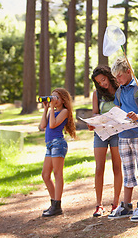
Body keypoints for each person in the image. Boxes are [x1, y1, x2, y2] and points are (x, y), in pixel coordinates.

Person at [107, 57, 138, 222]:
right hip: (123, 136)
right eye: (115, 77)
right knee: (127, 171)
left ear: (128, 71)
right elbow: (117, 111)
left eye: (119, 76)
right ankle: (126, 206)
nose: (117, 80)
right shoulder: (119, 91)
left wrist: (137, 116)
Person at [88, 65, 123, 217]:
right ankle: (98, 205)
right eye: (99, 82)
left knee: (117, 167)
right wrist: (93, 122)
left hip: (116, 132)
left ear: (109, 76)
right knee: (99, 168)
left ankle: (115, 203)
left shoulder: (120, 90)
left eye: (103, 79)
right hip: (101, 133)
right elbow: (95, 113)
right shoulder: (97, 94)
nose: (102, 83)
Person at [39, 88, 76, 217]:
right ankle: (54, 203)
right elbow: (43, 125)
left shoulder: (64, 111)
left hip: (58, 144)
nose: (54, 100)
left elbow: (53, 125)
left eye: (57, 98)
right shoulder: (52, 112)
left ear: (63, 100)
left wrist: (52, 109)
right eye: (52, 97)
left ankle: (57, 205)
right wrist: (46, 108)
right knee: (45, 175)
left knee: (57, 173)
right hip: (49, 145)